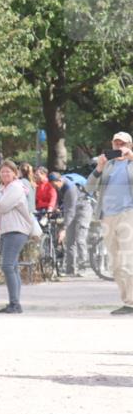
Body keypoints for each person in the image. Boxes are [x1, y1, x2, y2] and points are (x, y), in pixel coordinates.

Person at [86, 131, 133, 314]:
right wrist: (99, 167)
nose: (119, 146)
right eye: (116, 143)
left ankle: (131, 302)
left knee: (127, 259)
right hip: (108, 217)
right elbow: (89, 187)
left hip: (128, 214)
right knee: (115, 263)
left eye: (123, 144)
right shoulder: (109, 165)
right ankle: (126, 300)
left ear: (129, 146)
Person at [0, 160, 32, 314]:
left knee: (8, 266)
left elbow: (1, 206)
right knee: (13, 267)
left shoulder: (15, 188)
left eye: (8, 171)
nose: (5, 174)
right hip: (6, 230)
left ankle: (15, 304)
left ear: (15, 174)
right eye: (2, 172)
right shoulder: (4, 188)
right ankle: (14, 303)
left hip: (16, 230)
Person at [49, 172, 92, 276]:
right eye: (51, 185)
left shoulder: (71, 189)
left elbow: (70, 211)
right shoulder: (59, 185)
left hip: (83, 209)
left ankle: (83, 268)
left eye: (54, 185)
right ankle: (70, 270)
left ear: (59, 181)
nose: (53, 187)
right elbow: (62, 201)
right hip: (72, 209)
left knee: (80, 238)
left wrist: (63, 229)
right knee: (70, 240)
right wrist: (57, 207)